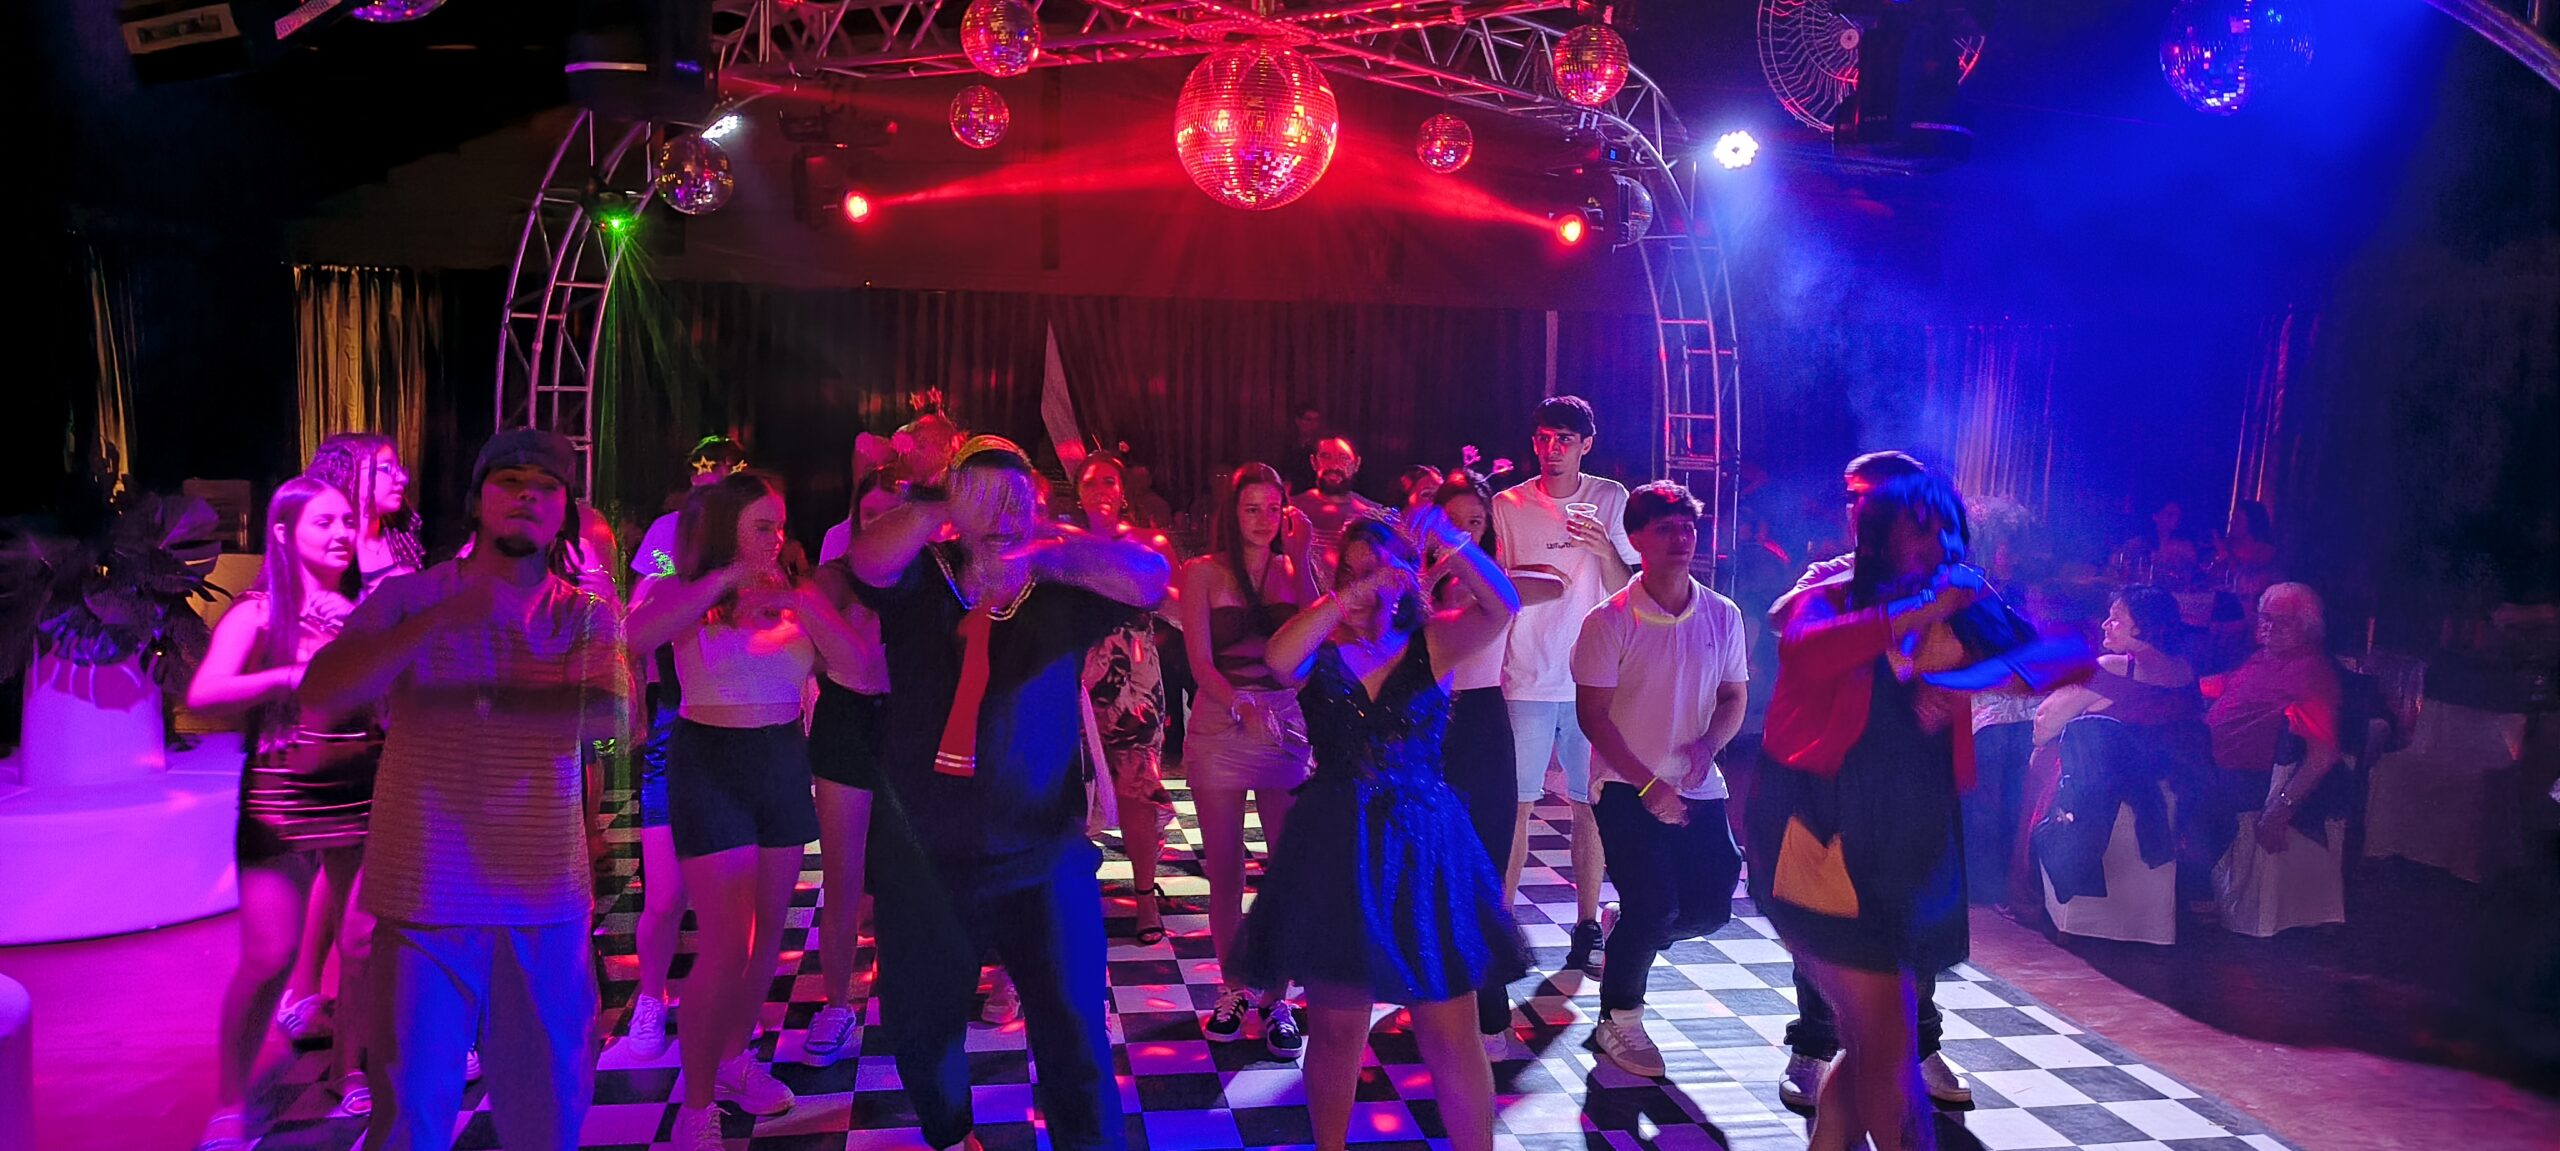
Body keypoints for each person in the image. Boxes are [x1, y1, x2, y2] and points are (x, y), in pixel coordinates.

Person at [302, 429, 631, 1151]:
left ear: (564, 512)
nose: (527, 495)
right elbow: (321, 691)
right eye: (510, 480)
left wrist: (475, 698)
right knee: (410, 1115)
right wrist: (434, 625)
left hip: (542, 896)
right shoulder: (410, 599)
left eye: (546, 487)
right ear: (477, 501)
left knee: (547, 1113)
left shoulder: (583, 612)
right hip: (425, 891)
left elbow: (607, 718)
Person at [844, 436, 1170, 1151]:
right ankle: (951, 1131)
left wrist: (1047, 547)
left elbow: (1152, 578)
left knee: (1076, 1033)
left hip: (1043, 855)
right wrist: (937, 503)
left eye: (1011, 498)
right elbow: (865, 561)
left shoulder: (1060, 585)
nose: (998, 515)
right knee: (920, 1030)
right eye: (981, 498)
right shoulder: (922, 575)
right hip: (924, 860)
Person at [1749, 470, 2089, 1151]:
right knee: (1887, 1041)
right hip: (1822, 834)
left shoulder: (1964, 600)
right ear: (1878, 537)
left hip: (1912, 839)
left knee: (1880, 1041)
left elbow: (2070, 655)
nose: (1943, 545)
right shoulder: (1831, 593)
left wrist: (1966, 677)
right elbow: (1807, 649)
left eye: (1951, 530)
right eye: (1924, 530)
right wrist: (1919, 609)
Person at [1238, 514, 1525, 1151]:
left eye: (1378, 567)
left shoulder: (1435, 641)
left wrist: (1450, 541)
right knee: (1337, 1029)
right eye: (1351, 569)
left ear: (1407, 573)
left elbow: (1502, 606)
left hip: (1424, 845)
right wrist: (1348, 595)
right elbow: (1278, 659)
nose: (1366, 582)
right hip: (1337, 845)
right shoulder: (1321, 647)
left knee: (1449, 1028)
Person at [626, 473, 875, 1146]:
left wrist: (798, 600)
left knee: (767, 935)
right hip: (711, 760)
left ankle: (735, 1060)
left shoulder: (798, 594)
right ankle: (696, 1102)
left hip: (781, 759)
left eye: (779, 525)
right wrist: (727, 578)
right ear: (726, 528)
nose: (777, 537)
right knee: (724, 943)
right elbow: (636, 635)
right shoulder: (681, 589)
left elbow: (859, 669)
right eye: (762, 526)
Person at [190, 479, 382, 1151]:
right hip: (281, 792)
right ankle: (229, 1100)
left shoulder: (364, 610)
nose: (341, 533)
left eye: (347, 521)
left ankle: (349, 1067)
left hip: (360, 786)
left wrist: (358, 636)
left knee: (362, 945)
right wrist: (289, 675)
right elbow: (204, 692)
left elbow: (397, 690)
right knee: (269, 956)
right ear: (283, 531)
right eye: (323, 521)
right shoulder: (260, 612)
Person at [1774, 451, 1966, 1111]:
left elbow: (2000, 643)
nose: (1860, 508)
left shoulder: (1947, 575)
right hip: (1835, 775)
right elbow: (1784, 621)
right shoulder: (1831, 576)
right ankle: (1814, 1044)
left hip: (1918, 777)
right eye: (1853, 496)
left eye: (1873, 496)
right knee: (1825, 916)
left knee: (1916, 917)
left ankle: (1921, 1041)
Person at [1570, 482, 1749, 1078]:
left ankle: (1628, 931)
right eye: (1666, 528)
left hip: (1698, 781)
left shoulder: (1722, 614)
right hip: (1625, 785)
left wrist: (1709, 745)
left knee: (1710, 907)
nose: (1681, 538)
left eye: (1688, 527)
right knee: (1653, 905)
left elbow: (1734, 696)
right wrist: (1649, 786)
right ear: (1636, 539)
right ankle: (1618, 1019)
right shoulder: (1608, 621)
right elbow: (1593, 716)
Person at [1174, 463, 1319, 1059]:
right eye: (1251, 508)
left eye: (1272, 508)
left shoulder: (1290, 567)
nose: (1262, 519)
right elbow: (1199, 664)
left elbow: (1317, 633)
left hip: (1282, 722)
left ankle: (1277, 997)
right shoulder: (1202, 573)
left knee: (1283, 869)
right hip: (1220, 721)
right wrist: (1240, 704)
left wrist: (1303, 555)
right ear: (1232, 515)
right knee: (1227, 870)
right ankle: (1234, 989)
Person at [1490, 395, 1637, 977]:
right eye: (1545, 439)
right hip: (1525, 670)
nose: (1552, 450)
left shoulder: (1610, 497)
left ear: (1586, 445)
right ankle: (1500, 930)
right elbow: (1497, 584)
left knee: (1588, 804)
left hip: (1589, 677)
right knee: (1516, 806)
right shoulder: (1508, 504)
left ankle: (1587, 925)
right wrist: (1533, 583)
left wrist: (1603, 548)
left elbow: (1625, 588)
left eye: (1565, 440)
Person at [802, 469, 899, 1067]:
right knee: (842, 877)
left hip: (910, 727)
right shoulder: (834, 577)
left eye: (894, 515)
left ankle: (903, 991)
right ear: (855, 522)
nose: (882, 526)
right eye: (871, 516)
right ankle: (837, 1003)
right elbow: (829, 659)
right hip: (847, 722)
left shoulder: (929, 576)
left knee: (907, 870)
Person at [1428, 472, 1522, 1057]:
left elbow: (1544, 588)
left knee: (1485, 865)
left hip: (1484, 722)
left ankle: (1489, 1000)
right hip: (1425, 725)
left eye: (1474, 522)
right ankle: (1437, 994)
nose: (1462, 533)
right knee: (1432, 867)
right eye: (1451, 521)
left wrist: (1458, 555)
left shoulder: (1496, 583)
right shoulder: (1408, 582)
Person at [1069, 455, 1180, 946]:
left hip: (1135, 678)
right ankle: (1072, 892)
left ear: (1122, 491)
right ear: (1078, 492)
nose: (1100, 489)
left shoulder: (1146, 543)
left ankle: (1145, 897)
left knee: (1138, 785)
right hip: (1077, 674)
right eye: (1091, 482)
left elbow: (1178, 604)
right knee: (1073, 783)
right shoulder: (1066, 545)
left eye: (1109, 481)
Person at [2182, 583, 2346, 913]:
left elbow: (2323, 754)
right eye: (2265, 617)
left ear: (2308, 627)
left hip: (2246, 776)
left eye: (2282, 621)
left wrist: (2281, 809)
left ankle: (2196, 893)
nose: (2269, 627)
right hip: (2214, 760)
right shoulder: (2263, 658)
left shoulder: (2310, 674)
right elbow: (2225, 687)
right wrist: (2172, 683)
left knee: (2179, 786)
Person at [306, 432, 425, 600]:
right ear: (348, 474)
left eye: (399, 468)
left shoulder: (403, 533)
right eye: (386, 468)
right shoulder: (328, 545)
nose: (402, 478)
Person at [635, 436, 749, 578]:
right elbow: (645, 586)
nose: (703, 475)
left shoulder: (754, 525)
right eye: (696, 469)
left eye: (715, 467)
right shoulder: (667, 526)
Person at [1290, 436, 1391, 579]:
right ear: (1314, 462)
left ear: (1356, 464)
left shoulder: (1373, 514)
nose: (1334, 465)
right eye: (1326, 456)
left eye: (1344, 458)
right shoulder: (1292, 508)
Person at [1280, 400, 1326, 495]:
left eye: (1316, 420)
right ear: (1298, 421)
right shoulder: (1290, 445)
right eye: (1309, 420)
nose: (1313, 425)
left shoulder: (1323, 448)